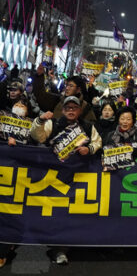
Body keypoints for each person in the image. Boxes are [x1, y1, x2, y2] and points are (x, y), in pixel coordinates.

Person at [30, 96, 102, 265]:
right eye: (67, 107)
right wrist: (40, 120)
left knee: (70, 214)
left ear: (79, 110)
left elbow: (98, 142)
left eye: (74, 108)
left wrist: (89, 148)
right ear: (62, 110)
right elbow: (37, 136)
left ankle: (62, 249)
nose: (71, 110)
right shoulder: (53, 124)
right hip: (53, 178)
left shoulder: (87, 126)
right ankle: (49, 246)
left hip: (78, 177)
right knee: (53, 212)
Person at [102, 106, 137, 171]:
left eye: (128, 119)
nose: (125, 122)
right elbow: (104, 153)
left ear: (133, 121)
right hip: (114, 173)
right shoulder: (110, 135)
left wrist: (130, 150)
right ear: (118, 120)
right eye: (122, 119)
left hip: (131, 172)